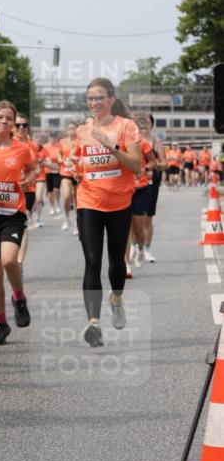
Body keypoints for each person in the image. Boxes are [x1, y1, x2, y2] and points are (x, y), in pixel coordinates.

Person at [72, 78, 141, 346]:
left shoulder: (126, 127)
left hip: (119, 204)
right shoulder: (82, 131)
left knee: (116, 263)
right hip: (89, 201)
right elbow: (83, 165)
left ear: (111, 99)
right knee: (91, 260)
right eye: (90, 98)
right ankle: (94, 323)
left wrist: (110, 146)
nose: (94, 103)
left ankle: (116, 298)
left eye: (99, 98)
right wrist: (73, 165)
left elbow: (136, 166)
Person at [0, 101, 36, 344]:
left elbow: (33, 170)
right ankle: (1, 323)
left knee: (10, 260)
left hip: (13, 214)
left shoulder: (21, 149)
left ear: (13, 124)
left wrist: (28, 181)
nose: (4, 121)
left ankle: (19, 298)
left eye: (8, 118)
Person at [128, 112, 157, 270]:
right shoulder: (119, 143)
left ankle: (140, 249)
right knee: (125, 226)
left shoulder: (143, 143)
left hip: (140, 189)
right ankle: (125, 264)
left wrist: (144, 168)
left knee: (139, 229)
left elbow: (153, 162)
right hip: (123, 190)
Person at [12, 114, 42, 264]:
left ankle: (19, 262)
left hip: (27, 190)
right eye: (18, 125)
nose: (21, 128)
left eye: (24, 125)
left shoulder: (32, 146)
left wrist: (29, 178)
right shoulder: (7, 143)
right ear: (13, 126)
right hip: (7, 191)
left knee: (23, 226)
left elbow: (35, 169)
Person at [144, 113, 166, 263]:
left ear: (151, 124)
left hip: (151, 181)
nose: (142, 124)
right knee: (132, 218)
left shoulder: (155, 141)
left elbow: (165, 164)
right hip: (132, 182)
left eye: (146, 121)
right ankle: (134, 247)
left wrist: (150, 166)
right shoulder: (130, 140)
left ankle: (146, 249)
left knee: (147, 218)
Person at [58, 121, 79, 231]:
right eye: (69, 128)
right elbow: (59, 154)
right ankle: (66, 219)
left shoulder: (79, 141)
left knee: (77, 199)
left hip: (77, 172)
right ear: (66, 130)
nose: (71, 129)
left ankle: (76, 223)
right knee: (66, 196)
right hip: (65, 171)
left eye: (73, 127)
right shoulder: (62, 141)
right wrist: (60, 159)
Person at [39, 132, 62, 215]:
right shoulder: (45, 147)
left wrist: (60, 161)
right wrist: (47, 163)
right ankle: (52, 207)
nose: (52, 139)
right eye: (51, 137)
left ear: (56, 138)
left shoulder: (59, 146)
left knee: (57, 189)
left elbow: (62, 156)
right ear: (49, 138)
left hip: (57, 170)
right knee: (50, 191)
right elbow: (42, 157)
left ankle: (58, 203)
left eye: (54, 137)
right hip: (48, 171)